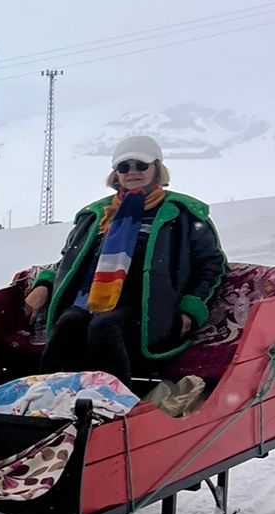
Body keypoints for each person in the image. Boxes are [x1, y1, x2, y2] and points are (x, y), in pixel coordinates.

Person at [22, 133, 226, 397]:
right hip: (91, 301)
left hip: (151, 307)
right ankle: (47, 399)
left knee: (105, 326)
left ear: (156, 169)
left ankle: (115, 407)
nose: (132, 172)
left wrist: (191, 307)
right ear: (116, 173)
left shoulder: (181, 213)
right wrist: (45, 285)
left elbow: (212, 265)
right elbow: (70, 260)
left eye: (141, 165)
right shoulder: (97, 214)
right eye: (124, 166)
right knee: (69, 322)